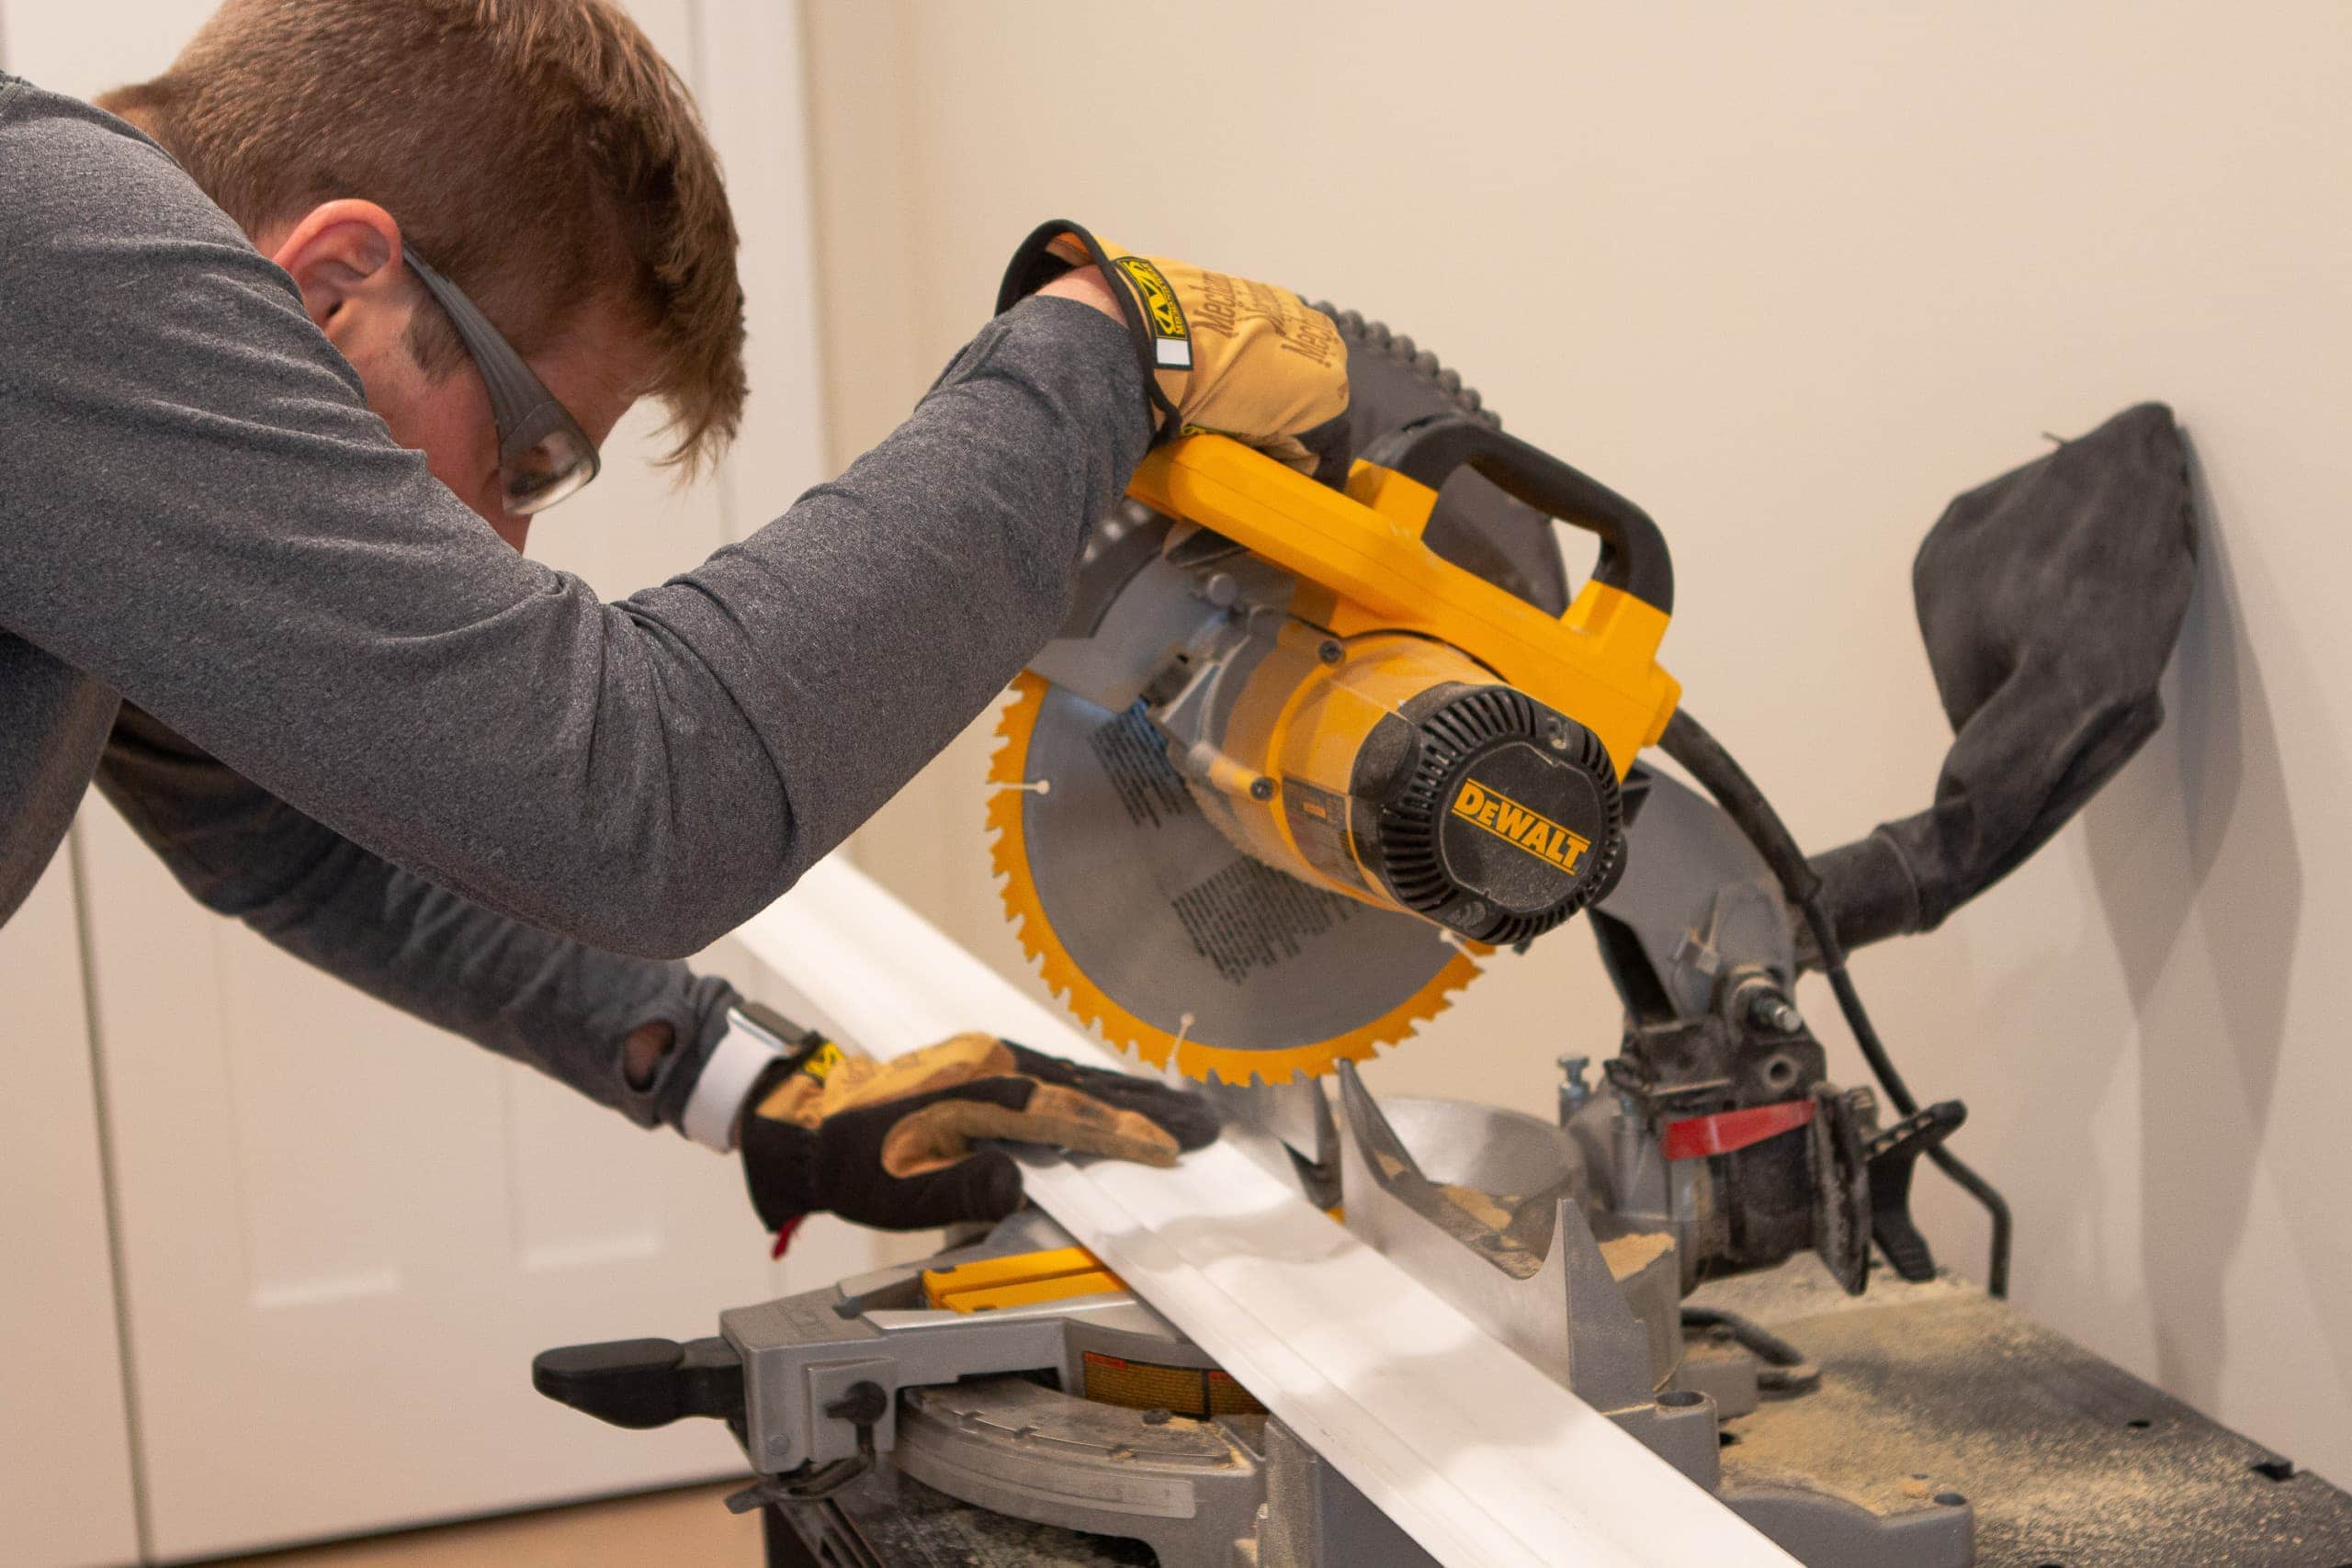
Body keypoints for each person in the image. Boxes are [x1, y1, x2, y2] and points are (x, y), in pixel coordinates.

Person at [0, 0, 1348, 1235]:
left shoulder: (82, 407)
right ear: (336, 283)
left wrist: (752, 1082)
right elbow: (647, 801)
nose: (506, 540)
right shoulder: (51, 242)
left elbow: (300, 840)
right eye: (528, 455)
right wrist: (1100, 347)